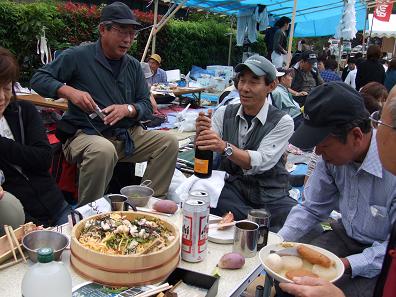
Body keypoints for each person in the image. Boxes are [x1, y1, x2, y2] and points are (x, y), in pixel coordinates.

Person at [31, 2, 178, 206]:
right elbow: (38, 78)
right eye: (121, 32)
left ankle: (144, 206)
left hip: (126, 136)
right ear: (102, 29)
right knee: (103, 150)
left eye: (132, 34)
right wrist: (69, 91)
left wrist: (128, 109)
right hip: (85, 134)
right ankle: (90, 215)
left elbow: (145, 104)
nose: (127, 39)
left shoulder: (134, 66)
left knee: (169, 142)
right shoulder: (78, 57)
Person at [278, 81, 396, 297]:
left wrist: (344, 265)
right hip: (344, 236)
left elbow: (392, 249)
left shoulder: (392, 166)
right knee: (290, 283)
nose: (318, 153)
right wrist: (277, 244)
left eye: (323, 146)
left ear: (357, 136)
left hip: (383, 253)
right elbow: (311, 208)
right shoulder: (331, 159)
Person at [195, 55, 296, 230]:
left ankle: (247, 222)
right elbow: (207, 151)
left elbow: (261, 162)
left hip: (270, 194)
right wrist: (201, 136)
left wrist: (224, 147)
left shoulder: (283, 121)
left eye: (254, 82)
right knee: (200, 190)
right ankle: (258, 224)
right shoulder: (224, 113)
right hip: (234, 189)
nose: (245, 88)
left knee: (299, 220)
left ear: (271, 86)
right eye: (242, 81)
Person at [0, 47, 70, 226]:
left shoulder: (24, 111)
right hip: (20, 224)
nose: (2, 97)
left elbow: (44, 158)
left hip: (58, 207)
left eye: (6, 88)